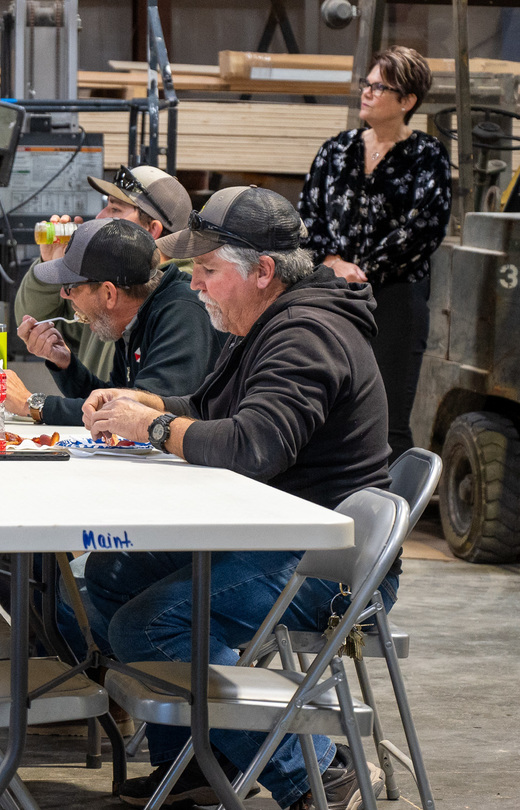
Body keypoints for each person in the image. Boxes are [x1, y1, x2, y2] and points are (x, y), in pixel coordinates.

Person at [76, 186, 392, 810]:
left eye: (207, 270)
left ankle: (319, 774)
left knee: (150, 624)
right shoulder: (268, 323)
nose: (194, 285)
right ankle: (200, 759)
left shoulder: (305, 336)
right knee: (112, 574)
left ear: (263, 272)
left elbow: (253, 446)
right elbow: (223, 412)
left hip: (325, 562)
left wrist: (154, 429)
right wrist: (151, 404)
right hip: (277, 535)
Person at [298, 45, 452, 461]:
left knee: (388, 418)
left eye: (380, 87)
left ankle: (390, 516)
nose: (367, 92)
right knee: (324, 406)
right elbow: (307, 213)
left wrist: (362, 269)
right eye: (367, 83)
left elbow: (424, 228)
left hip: (395, 296)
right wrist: (332, 261)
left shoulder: (428, 156)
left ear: (407, 101)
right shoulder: (336, 150)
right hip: (331, 291)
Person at [5, 217, 222, 426]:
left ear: (109, 293)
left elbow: (140, 413)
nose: (63, 295)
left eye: (70, 286)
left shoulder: (182, 314)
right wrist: (67, 365)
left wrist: (32, 404)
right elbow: (109, 399)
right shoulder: (132, 317)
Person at [14, 164, 193, 382]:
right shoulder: (112, 275)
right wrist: (58, 265)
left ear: (151, 230)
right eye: (106, 206)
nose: (100, 216)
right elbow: (39, 323)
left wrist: (36, 405)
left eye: (115, 210)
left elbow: (138, 406)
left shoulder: (174, 297)